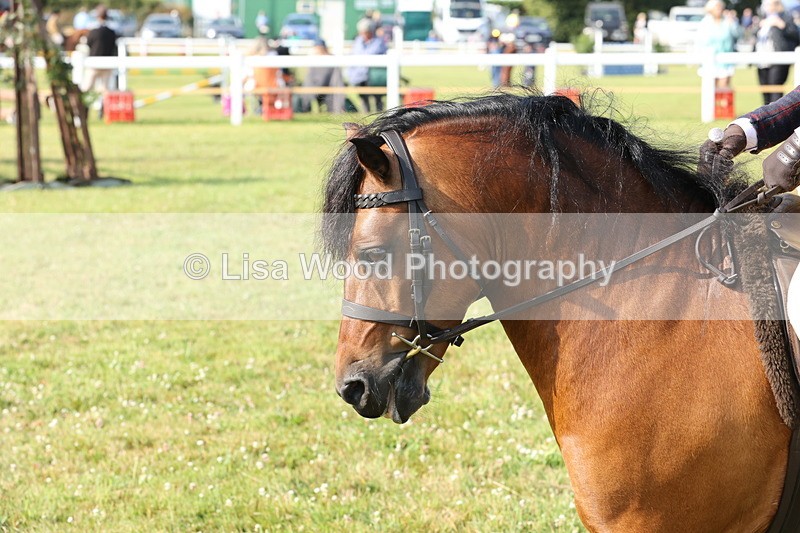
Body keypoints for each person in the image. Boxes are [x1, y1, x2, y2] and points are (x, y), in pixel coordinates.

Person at [755, 0, 799, 104]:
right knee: (764, 88)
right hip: (762, 59)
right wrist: (758, 26)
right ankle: (764, 116)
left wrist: (782, 25)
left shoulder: (785, 17)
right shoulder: (763, 18)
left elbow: (796, 34)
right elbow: (755, 36)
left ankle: (775, 117)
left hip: (779, 58)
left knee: (775, 87)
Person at [81, 6, 118, 117]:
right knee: (105, 89)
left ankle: (85, 110)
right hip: (107, 63)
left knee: (87, 87)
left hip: (94, 63)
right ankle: (103, 110)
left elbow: (88, 44)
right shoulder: (111, 32)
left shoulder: (93, 32)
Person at [697, 0, 740, 90]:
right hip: (709, 61)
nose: (719, 9)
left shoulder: (728, 21)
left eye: (720, 7)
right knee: (710, 90)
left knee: (723, 89)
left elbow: (738, 35)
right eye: (716, 7)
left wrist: (733, 22)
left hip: (725, 62)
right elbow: (700, 42)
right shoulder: (705, 23)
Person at [346, 19, 387, 113]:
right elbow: (353, 56)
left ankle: (379, 113)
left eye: (366, 32)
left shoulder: (378, 42)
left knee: (377, 97)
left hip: (374, 76)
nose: (363, 34)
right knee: (363, 97)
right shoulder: (358, 41)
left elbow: (370, 55)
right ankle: (366, 113)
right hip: (359, 75)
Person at [296, 40, 345, 113]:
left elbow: (336, 79)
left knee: (336, 91)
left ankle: (337, 110)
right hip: (314, 87)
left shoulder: (332, 59)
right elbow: (310, 78)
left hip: (329, 88)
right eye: (317, 48)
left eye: (320, 48)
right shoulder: (312, 60)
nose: (318, 50)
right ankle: (304, 110)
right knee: (305, 91)